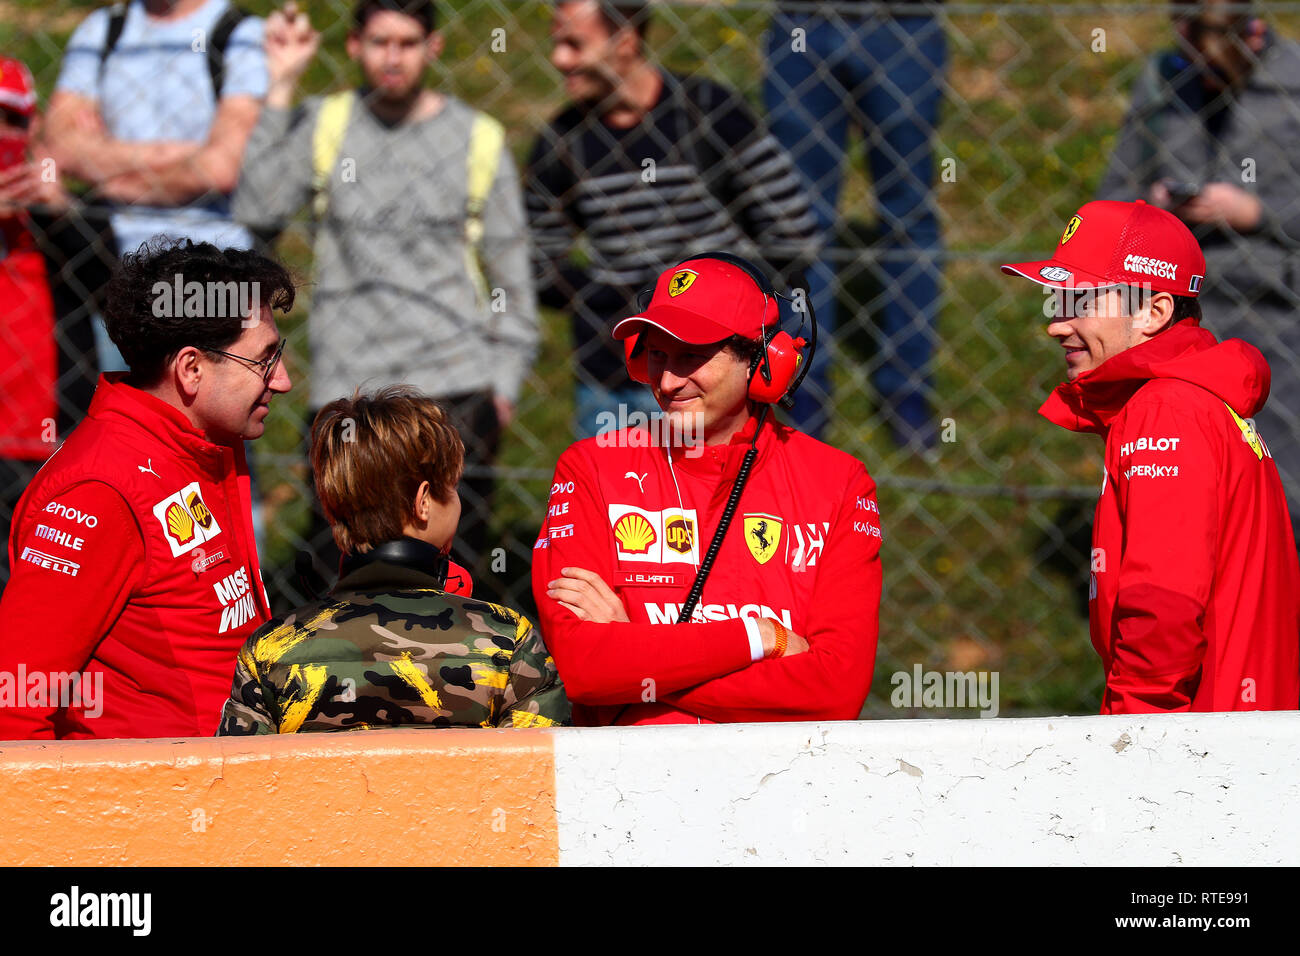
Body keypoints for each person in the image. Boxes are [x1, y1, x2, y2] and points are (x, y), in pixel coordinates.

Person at [233, 0, 537, 590]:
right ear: (353, 47)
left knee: (457, 568)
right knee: (347, 570)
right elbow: (258, 208)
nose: (392, 58)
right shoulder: (326, 124)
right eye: (378, 43)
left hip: (454, 382)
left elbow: (511, 276)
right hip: (349, 389)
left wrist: (503, 384)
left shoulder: (475, 137)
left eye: (406, 42)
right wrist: (281, 86)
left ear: (434, 47)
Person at [530, 253, 883, 726]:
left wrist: (636, 656)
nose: (670, 381)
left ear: (763, 361)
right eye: (657, 354)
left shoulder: (839, 484)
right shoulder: (590, 467)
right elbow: (586, 669)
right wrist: (759, 639)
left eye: (692, 355)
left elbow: (834, 693)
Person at [1002, 199, 1300, 712]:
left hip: (1201, 748)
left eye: (1083, 301)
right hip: (1237, 733)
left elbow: (1165, 605)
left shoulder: (1167, 410)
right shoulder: (1193, 400)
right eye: (1058, 300)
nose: (1056, 324)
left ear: (1154, 311)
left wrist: (1132, 736)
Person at [0, 239, 294, 739]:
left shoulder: (206, 445)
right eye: (265, 359)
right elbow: (14, 708)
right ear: (191, 369)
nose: (283, 380)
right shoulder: (99, 492)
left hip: (222, 796)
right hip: (152, 806)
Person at [526, 0, 819, 439]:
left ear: (625, 41)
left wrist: (735, 311)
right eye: (557, 44)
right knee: (618, 503)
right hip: (613, 380)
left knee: (726, 502)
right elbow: (537, 259)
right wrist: (612, 302)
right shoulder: (561, 142)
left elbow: (792, 230)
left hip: (716, 376)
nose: (559, 59)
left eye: (574, 44)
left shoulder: (708, 112)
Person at [218, 386, 569, 734]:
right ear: (424, 502)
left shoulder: (270, 650)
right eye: (452, 488)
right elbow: (539, 779)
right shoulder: (505, 642)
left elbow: (242, 782)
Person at [1095, 0, 1300, 544]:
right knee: (1179, 484)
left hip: (1279, 313)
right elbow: (1114, 193)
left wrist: (1255, 213)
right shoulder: (1164, 79)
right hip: (1175, 318)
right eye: (1194, 59)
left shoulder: (1294, 82)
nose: (1202, 74)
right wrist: (1151, 211)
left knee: (1277, 487)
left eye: (1216, 64)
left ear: (1251, 36)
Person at [762, 1, 947, 446]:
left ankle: (907, 389)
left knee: (909, 216)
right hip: (801, 25)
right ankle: (801, 384)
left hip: (903, 24)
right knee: (797, 218)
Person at [0, 55, 116, 586]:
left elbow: (117, 292)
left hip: (46, 439)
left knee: (40, 588)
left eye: (11, 119)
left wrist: (60, 209)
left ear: (33, 127)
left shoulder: (57, 209)